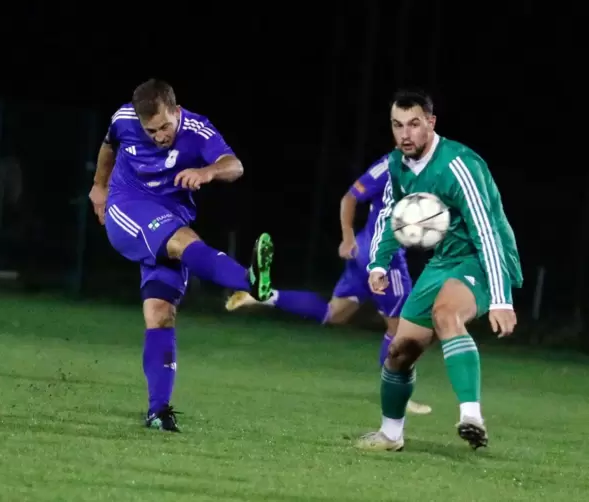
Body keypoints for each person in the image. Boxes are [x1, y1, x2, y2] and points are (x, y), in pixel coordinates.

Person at [88, 79, 272, 432]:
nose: (159, 136)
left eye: (164, 127)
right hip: (127, 207)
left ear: (177, 110)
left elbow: (234, 165)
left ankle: (158, 412)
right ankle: (248, 281)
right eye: (151, 131)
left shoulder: (198, 129)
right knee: (182, 241)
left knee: (161, 315)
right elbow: (108, 146)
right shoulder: (124, 119)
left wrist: (207, 171)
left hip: (170, 214)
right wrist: (99, 186)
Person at [355, 89, 522, 452]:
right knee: (400, 351)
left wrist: (501, 298)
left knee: (446, 314)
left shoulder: (458, 165)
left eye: (414, 124)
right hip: (444, 261)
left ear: (431, 123)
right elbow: (391, 214)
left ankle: (471, 416)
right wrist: (379, 262)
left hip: (482, 258)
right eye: (397, 125)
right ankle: (390, 435)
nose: (405, 134)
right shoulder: (398, 164)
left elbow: (487, 231)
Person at [225, 154, 431, 415]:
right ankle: (395, 392)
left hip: (362, 248)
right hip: (384, 257)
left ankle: (263, 296)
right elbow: (351, 198)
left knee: (335, 313)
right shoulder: (407, 167)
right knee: (403, 329)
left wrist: (349, 240)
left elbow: (350, 196)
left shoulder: (388, 164)